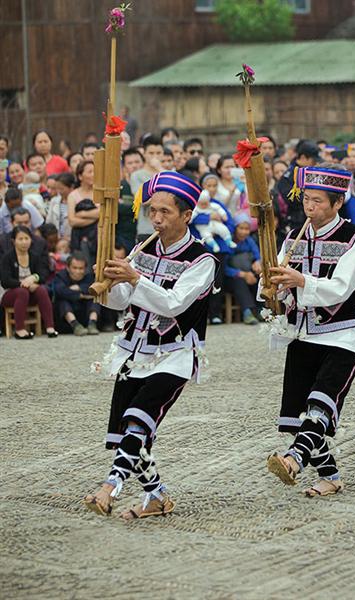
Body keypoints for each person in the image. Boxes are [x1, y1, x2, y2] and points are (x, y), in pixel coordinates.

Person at [82, 171, 216, 519]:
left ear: (187, 215)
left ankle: (109, 486)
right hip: (133, 351)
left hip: (174, 355)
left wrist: (134, 277)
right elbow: (123, 301)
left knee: (139, 420)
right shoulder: (143, 248)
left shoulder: (202, 260)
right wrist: (108, 284)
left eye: (165, 212)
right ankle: (156, 496)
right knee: (132, 430)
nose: (156, 219)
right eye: (152, 211)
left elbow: (173, 303)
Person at [263, 166, 355, 497]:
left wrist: (300, 281)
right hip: (304, 333)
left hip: (345, 333)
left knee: (320, 402)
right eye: (307, 200)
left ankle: (295, 458)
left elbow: (341, 288)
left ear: (337, 202)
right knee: (300, 412)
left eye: (318, 202)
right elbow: (278, 286)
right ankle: (330, 476)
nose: (310, 208)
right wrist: (275, 289)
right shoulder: (293, 238)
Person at [0, 226, 57, 339]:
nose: (24, 242)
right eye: (20, 239)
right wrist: (24, 284)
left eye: (27, 238)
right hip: (10, 294)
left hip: (29, 293)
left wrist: (34, 278)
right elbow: (5, 281)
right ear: (13, 241)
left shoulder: (34, 256)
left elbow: (43, 275)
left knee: (41, 290)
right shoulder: (7, 258)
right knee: (22, 292)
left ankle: (50, 327)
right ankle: (20, 330)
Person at [223, 213, 261, 325]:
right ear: (235, 228)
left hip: (248, 272)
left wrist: (257, 263)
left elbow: (257, 255)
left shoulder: (249, 240)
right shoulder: (228, 242)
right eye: (241, 228)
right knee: (239, 281)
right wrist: (242, 274)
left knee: (260, 278)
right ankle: (248, 312)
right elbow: (224, 267)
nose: (244, 232)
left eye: (247, 229)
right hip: (231, 277)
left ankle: (260, 310)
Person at [52, 251, 100, 335]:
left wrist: (78, 288)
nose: (78, 271)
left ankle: (92, 324)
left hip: (85, 314)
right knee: (62, 300)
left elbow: (93, 289)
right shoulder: (60, 276)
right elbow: (60, 291)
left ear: (85, 269)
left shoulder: (89, 277)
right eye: (74, 268)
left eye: (81, 268)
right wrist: (81, 295)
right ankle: (75, 325)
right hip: (65, 320)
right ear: (68, 268)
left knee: (95, 299)